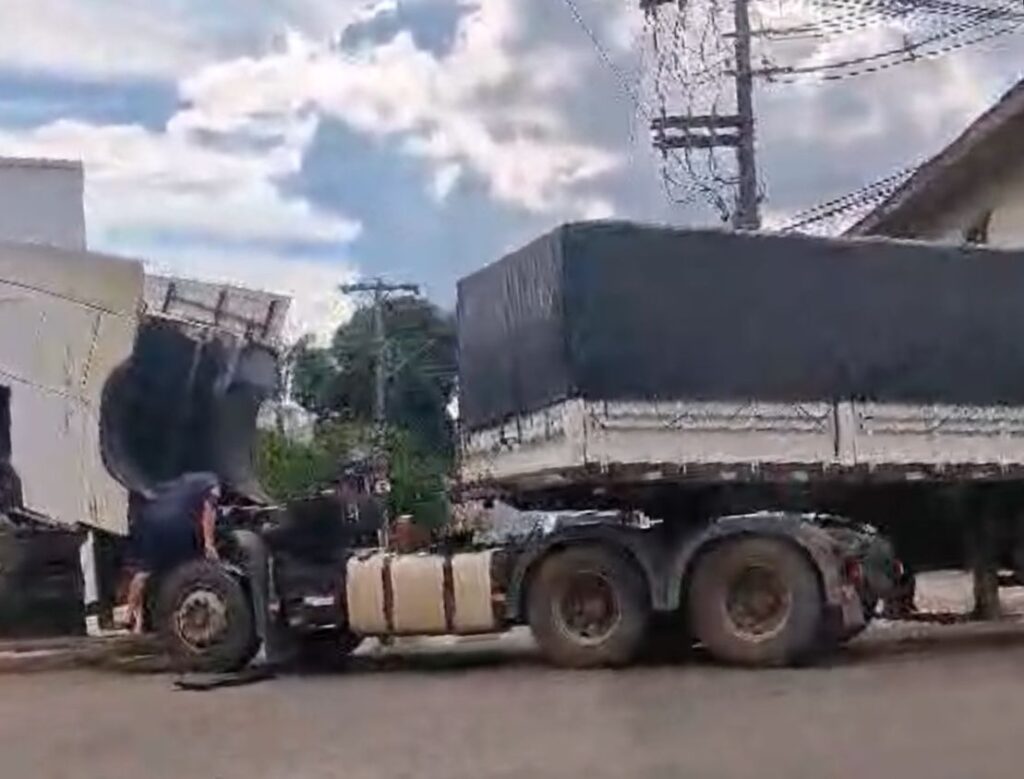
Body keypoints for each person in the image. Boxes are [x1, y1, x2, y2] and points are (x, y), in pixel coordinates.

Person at [124, 472, 221, 634]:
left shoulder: (179, 482)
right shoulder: (212, 481)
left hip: (151, 521)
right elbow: (208, 509)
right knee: (190, 566)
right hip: (178, 525)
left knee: (143, 572)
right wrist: (209, 543)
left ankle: (131, 617)